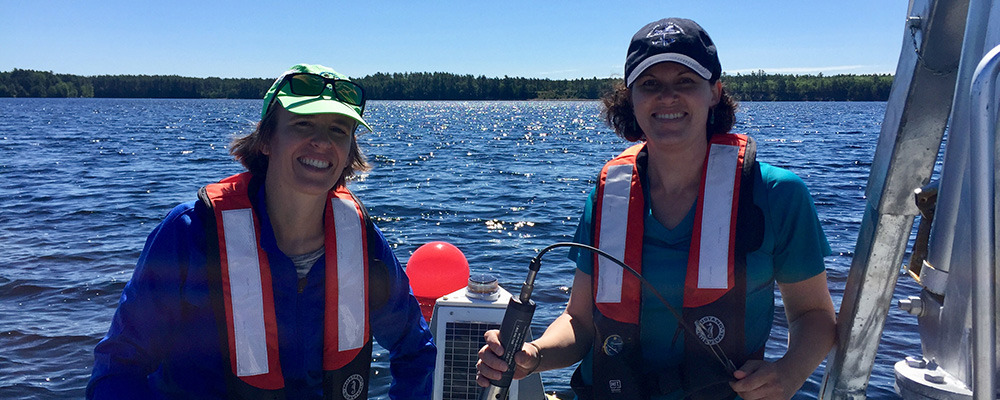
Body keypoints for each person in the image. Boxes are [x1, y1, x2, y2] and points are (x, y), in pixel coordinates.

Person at [477, 18, 836, 400]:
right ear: (631, 98)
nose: (667, 97)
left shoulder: (778, 194)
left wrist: (790, 372)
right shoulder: (608, 195)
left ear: (714, 93)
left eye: (685, 81)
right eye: (650, 85)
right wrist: (532, 356)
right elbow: (579, 321)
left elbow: (813, 315)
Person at [87, 64, 436, 400]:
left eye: (338, 130)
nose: (321, 142)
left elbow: (415, 349)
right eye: (302, 124)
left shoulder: (362, 242)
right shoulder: (190, 234)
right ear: (266, 140)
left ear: (348, 154)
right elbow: (118, 369)